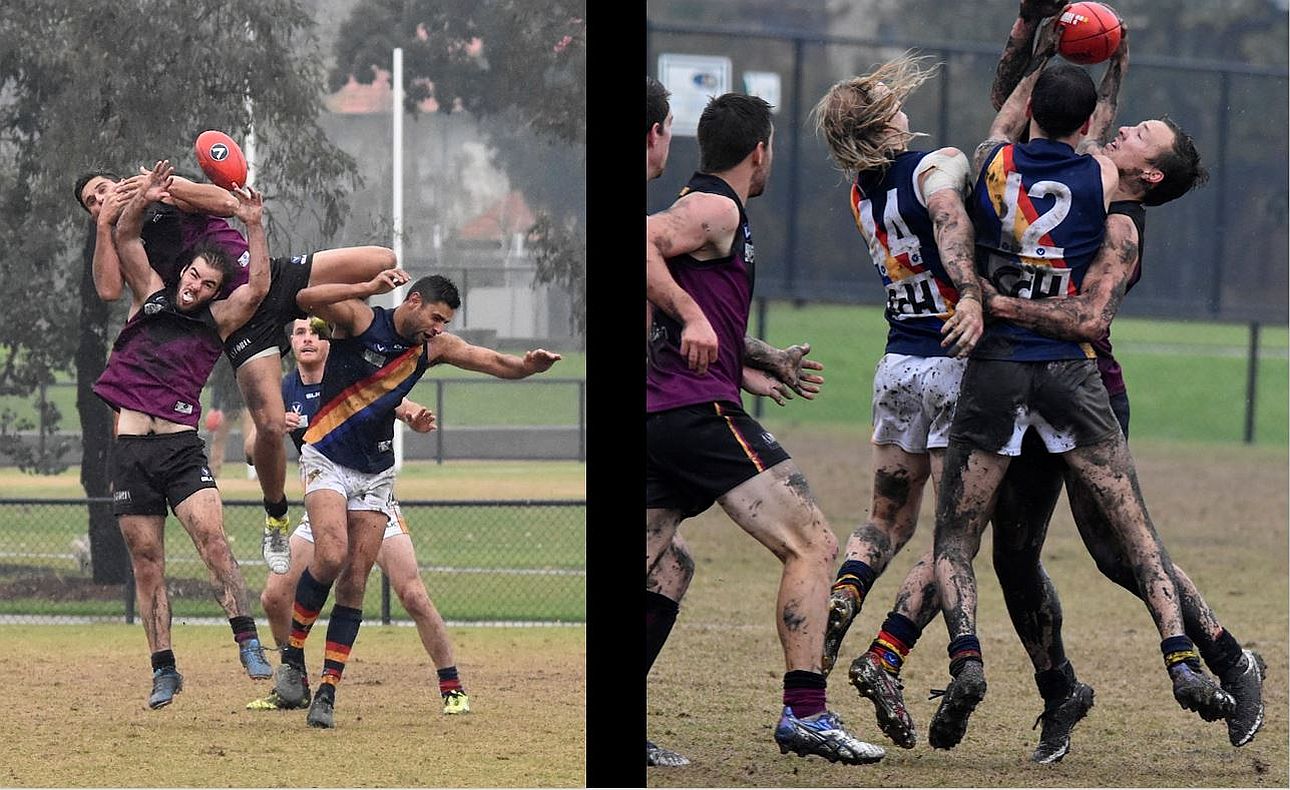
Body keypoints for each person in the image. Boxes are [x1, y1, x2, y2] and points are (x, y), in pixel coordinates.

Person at [924, 45, 1236, 750]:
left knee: (956, 539)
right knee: (1136, 536)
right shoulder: (1101, 180)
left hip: (998, 366)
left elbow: (1014, 117)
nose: (1122, 131)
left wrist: (1049, 43)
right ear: (1091, 125)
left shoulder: (994, 159)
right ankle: (1180, 658)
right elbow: (1098, 132)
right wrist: (1112, 60)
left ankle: (966, 658)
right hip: (1070, 374)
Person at [646, 92, 884, 766]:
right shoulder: (717, 206)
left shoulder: (711, 207)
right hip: (694, 414)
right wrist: (697, 320)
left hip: (665, 412)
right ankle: (806, 714)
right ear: (760, 151)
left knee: (664, 567)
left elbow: (683, 304)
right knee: (814, 544)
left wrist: (745, 357)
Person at [268, 272, 561, 728]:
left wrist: (526, 367)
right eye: (436, 318)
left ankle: (327, 691)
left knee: (355, 582)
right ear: (414, 301)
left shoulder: (432, 348)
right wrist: (366, 284)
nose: (439, 329)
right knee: (331, 553)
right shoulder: (359, 320)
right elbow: (306, 296)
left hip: (375, 473)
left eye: (445, 323)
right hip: (326, 455)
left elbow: (488, 360)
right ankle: (292, 656)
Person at [75, 165, 397, 577]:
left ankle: (348, 351)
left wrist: (170, 188)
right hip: (240, 317)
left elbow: (229, 203)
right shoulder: (124, 237)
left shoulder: (166, 195)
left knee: (380, 260)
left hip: (269, 277)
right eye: (92, 203)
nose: (100, 201)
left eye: (102, 190)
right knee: (271, 425)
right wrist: (105, 225)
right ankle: (276, 515)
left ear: (121, 182)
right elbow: (108, 290)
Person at [809, 56, 986, 734]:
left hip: (897, 367)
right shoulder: (933, 167)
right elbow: (947, 216)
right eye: (891, 103)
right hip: (951, 366)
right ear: (884, 126)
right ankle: (888, 651)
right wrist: (969, 292)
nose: (903, 107)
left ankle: (844, 593)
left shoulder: (861, 194)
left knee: (884, 519)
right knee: (953, 539)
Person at [92, 159, 274, 709]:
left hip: (179, 449)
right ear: (183, 272)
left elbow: (257, 288)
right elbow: (127, 236)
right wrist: (145, 196)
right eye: (193, 276)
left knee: (212, 540)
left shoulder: (216, 320)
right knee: (147, 562)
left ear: (216, 291)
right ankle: (164, 670)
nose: (197, 286)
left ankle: (248, 642)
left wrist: (254, 225)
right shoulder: (151, 293)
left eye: (209, 284)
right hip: (131, 451)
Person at [244, 317, 469, 716]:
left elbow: (398, 402)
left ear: (331, 341)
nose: (308, 339)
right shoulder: (284, 389)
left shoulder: (352, 373)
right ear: (291, 341)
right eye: (299, 332)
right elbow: (251, 450)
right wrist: (272, 429)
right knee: (274, 595)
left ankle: (451, 685)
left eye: (316, 332)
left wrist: (413, 415)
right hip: (328, 501)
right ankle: (294, 682)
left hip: (370, 498)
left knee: (412, 593)